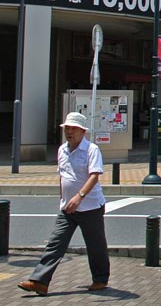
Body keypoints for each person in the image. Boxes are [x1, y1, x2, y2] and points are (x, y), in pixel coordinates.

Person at [18, 112, 109, 296]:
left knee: (96, 245)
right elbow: (63, 176)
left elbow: (94, 176)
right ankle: (40, 281)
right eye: (67, 128)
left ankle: (100, 279)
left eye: (73, 128)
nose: (69, 132)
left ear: (83, 131)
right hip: (68, 207)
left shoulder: (91, 149)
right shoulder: (62, 150)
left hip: (90, 206)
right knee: (55, 242)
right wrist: (64, 199)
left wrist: (79, 196)